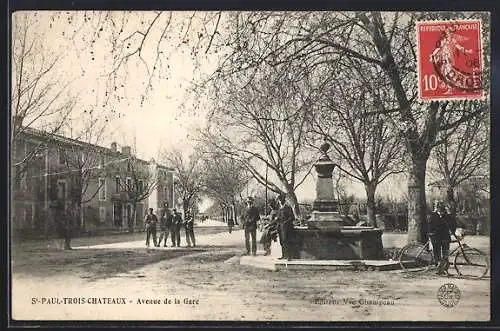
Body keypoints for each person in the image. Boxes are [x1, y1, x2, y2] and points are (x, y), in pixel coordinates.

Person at [427, 201, 457, 275]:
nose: (441, 211)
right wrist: (432, 233)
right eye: (440, 209)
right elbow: (430, 227)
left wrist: (454, 232)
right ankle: (439, 269)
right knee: (437, 254)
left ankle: (445, 270)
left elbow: (452, 225)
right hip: (436, 237)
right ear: (437, 209)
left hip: (445, 237)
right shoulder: (432, 216)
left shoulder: (447, 216)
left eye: (442, 209)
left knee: (445, 255)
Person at [277, 193, 295, 260]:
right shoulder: (279, 209)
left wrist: (285, 223)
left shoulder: (288, 208)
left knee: (287, 241)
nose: (280, 201)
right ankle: (283, 255)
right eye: (279, 200)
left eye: (280, 200)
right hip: (280, 227)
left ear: (283, 200)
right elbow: (278, 218)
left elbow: (292, 217)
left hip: (287, 228)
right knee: (282, 242)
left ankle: (289, 256)